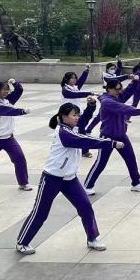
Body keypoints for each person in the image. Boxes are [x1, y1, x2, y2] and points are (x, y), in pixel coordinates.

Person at [15, 101, 116, 255]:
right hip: (52, 178)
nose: (77, 118)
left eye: (77, 115)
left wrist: (91, 106)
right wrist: (111, 143)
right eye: (74, 115)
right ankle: (22, 242)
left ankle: (92, 238)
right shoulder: (64, 132)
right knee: (40, 212)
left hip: (70, 179)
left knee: (85, 207)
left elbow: (85, 119)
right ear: (64, 117)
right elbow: (84, 141)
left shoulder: (72, 128)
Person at [83, 79, 140, 195]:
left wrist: (135, 81)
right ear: (109, 89)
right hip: (107, 136)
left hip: (121, 135)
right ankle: (88, 185)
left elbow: (128, 91)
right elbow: (124, 108)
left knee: (131, 159)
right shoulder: (107, 102)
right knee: (101, 162)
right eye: (116, 89)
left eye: (120, 88)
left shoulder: (117, 97)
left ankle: (136, 183)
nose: (119, 91)